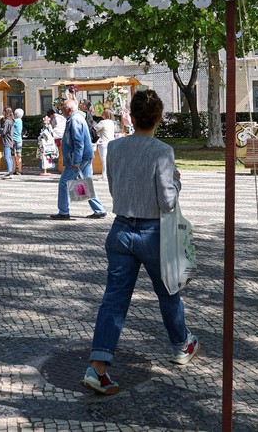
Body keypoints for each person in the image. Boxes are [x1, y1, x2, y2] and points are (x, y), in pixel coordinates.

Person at [80, 89, 200, 396]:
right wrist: (176, 180)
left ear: (131, 118)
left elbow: (112, 186)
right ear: (159, 117)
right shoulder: (162, 151)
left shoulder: (116, 148)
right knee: (168, 291)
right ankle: (181, 344)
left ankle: (98, 367)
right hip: (153, 232)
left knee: (114, 300)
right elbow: (168, 201)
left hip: (120, 230)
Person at [51, 98, 106, 220]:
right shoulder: (76, 118)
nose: (61, 111)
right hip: (84, 156)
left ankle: (64, 212)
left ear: (69, 110)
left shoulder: (75, 119)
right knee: (85, 182)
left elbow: (78, 142)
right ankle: (99, 210)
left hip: (78, 158)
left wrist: (75, 161)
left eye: (63, 108)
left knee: (64, 183)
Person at [95, 109, 117, 180]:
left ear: (105, 114)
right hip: (110, 142)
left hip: (103, 142)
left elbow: (95, 129)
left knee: (104, 160)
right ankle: (107, 175)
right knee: (108, 160)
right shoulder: (111, 122)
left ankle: (104, 176)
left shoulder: (102, 122)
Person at [0, 106, 16, 179]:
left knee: (6, 157)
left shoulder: (7, 121)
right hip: (10, 140)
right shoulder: (11, 120)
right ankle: (10, 171)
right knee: (9, 157)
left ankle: (10, 172)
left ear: (6, 112)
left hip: (6, 140)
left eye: (4, 111)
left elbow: (3, 131)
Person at [13, 108, 24, 175]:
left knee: (14, 156)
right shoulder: (20, 121)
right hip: (19, 140)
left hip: (13, 141)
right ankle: (20, 170)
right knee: (18, 156)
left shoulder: (14, 121)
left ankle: (14, 170)